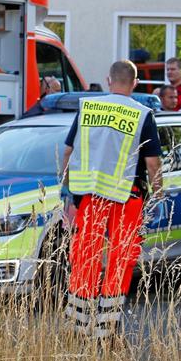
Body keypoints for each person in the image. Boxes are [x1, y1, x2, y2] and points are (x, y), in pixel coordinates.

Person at [62, 60, 163, 338]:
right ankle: (106, 329)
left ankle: (77, 325)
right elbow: (152, 163)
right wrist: (159, 193)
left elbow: (68, 151)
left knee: (85, 255)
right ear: (135, 83)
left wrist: (67, 187)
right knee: (120, 259)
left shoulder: (87, 106)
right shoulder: (142, 114)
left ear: (108, 80)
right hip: (126, 196)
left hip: (90, 194)